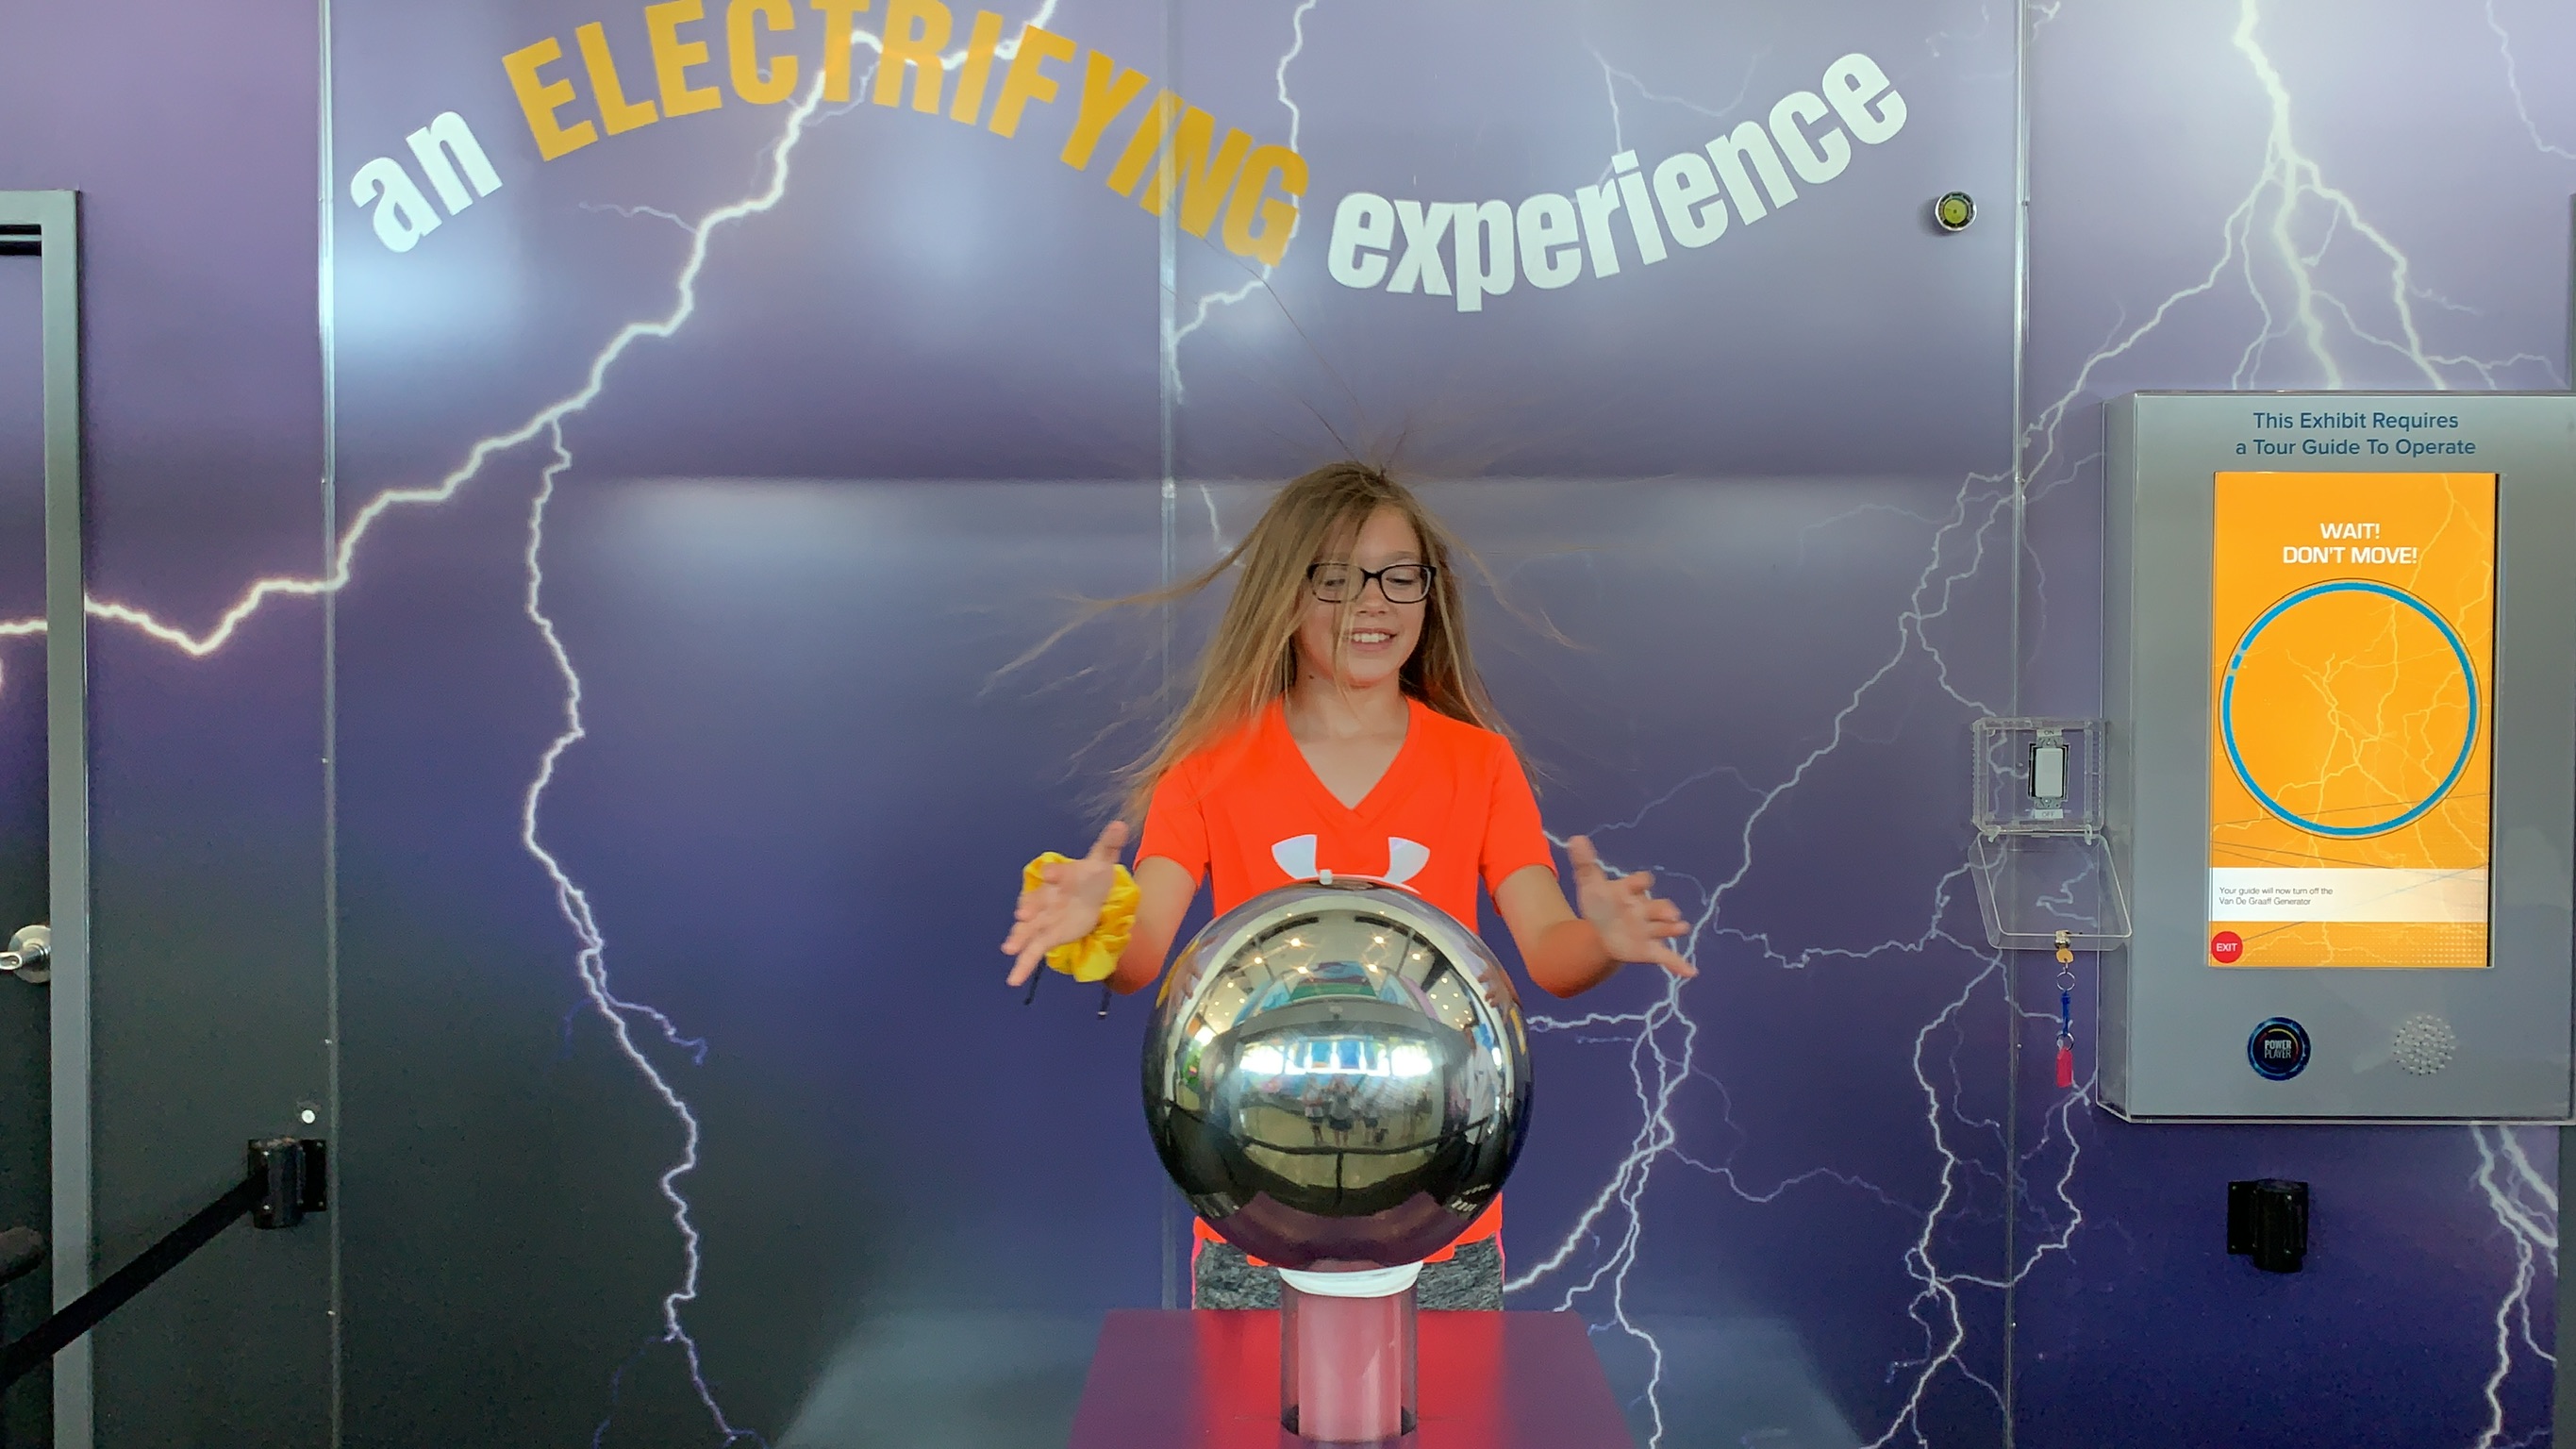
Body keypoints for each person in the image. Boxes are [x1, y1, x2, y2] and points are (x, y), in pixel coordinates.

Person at [1001, 461, 1694, 1309]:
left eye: (1399, 576)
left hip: (1438, 1218)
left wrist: (1602, 942)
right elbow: (1143, 957)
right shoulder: (1209, 768)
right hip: (1255, 1219)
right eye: (1334, 578)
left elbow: (1549, 954)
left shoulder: (1478, 763)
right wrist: (1095, 923)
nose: (1372, 603)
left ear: (1430, 594)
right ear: (1282, 596)